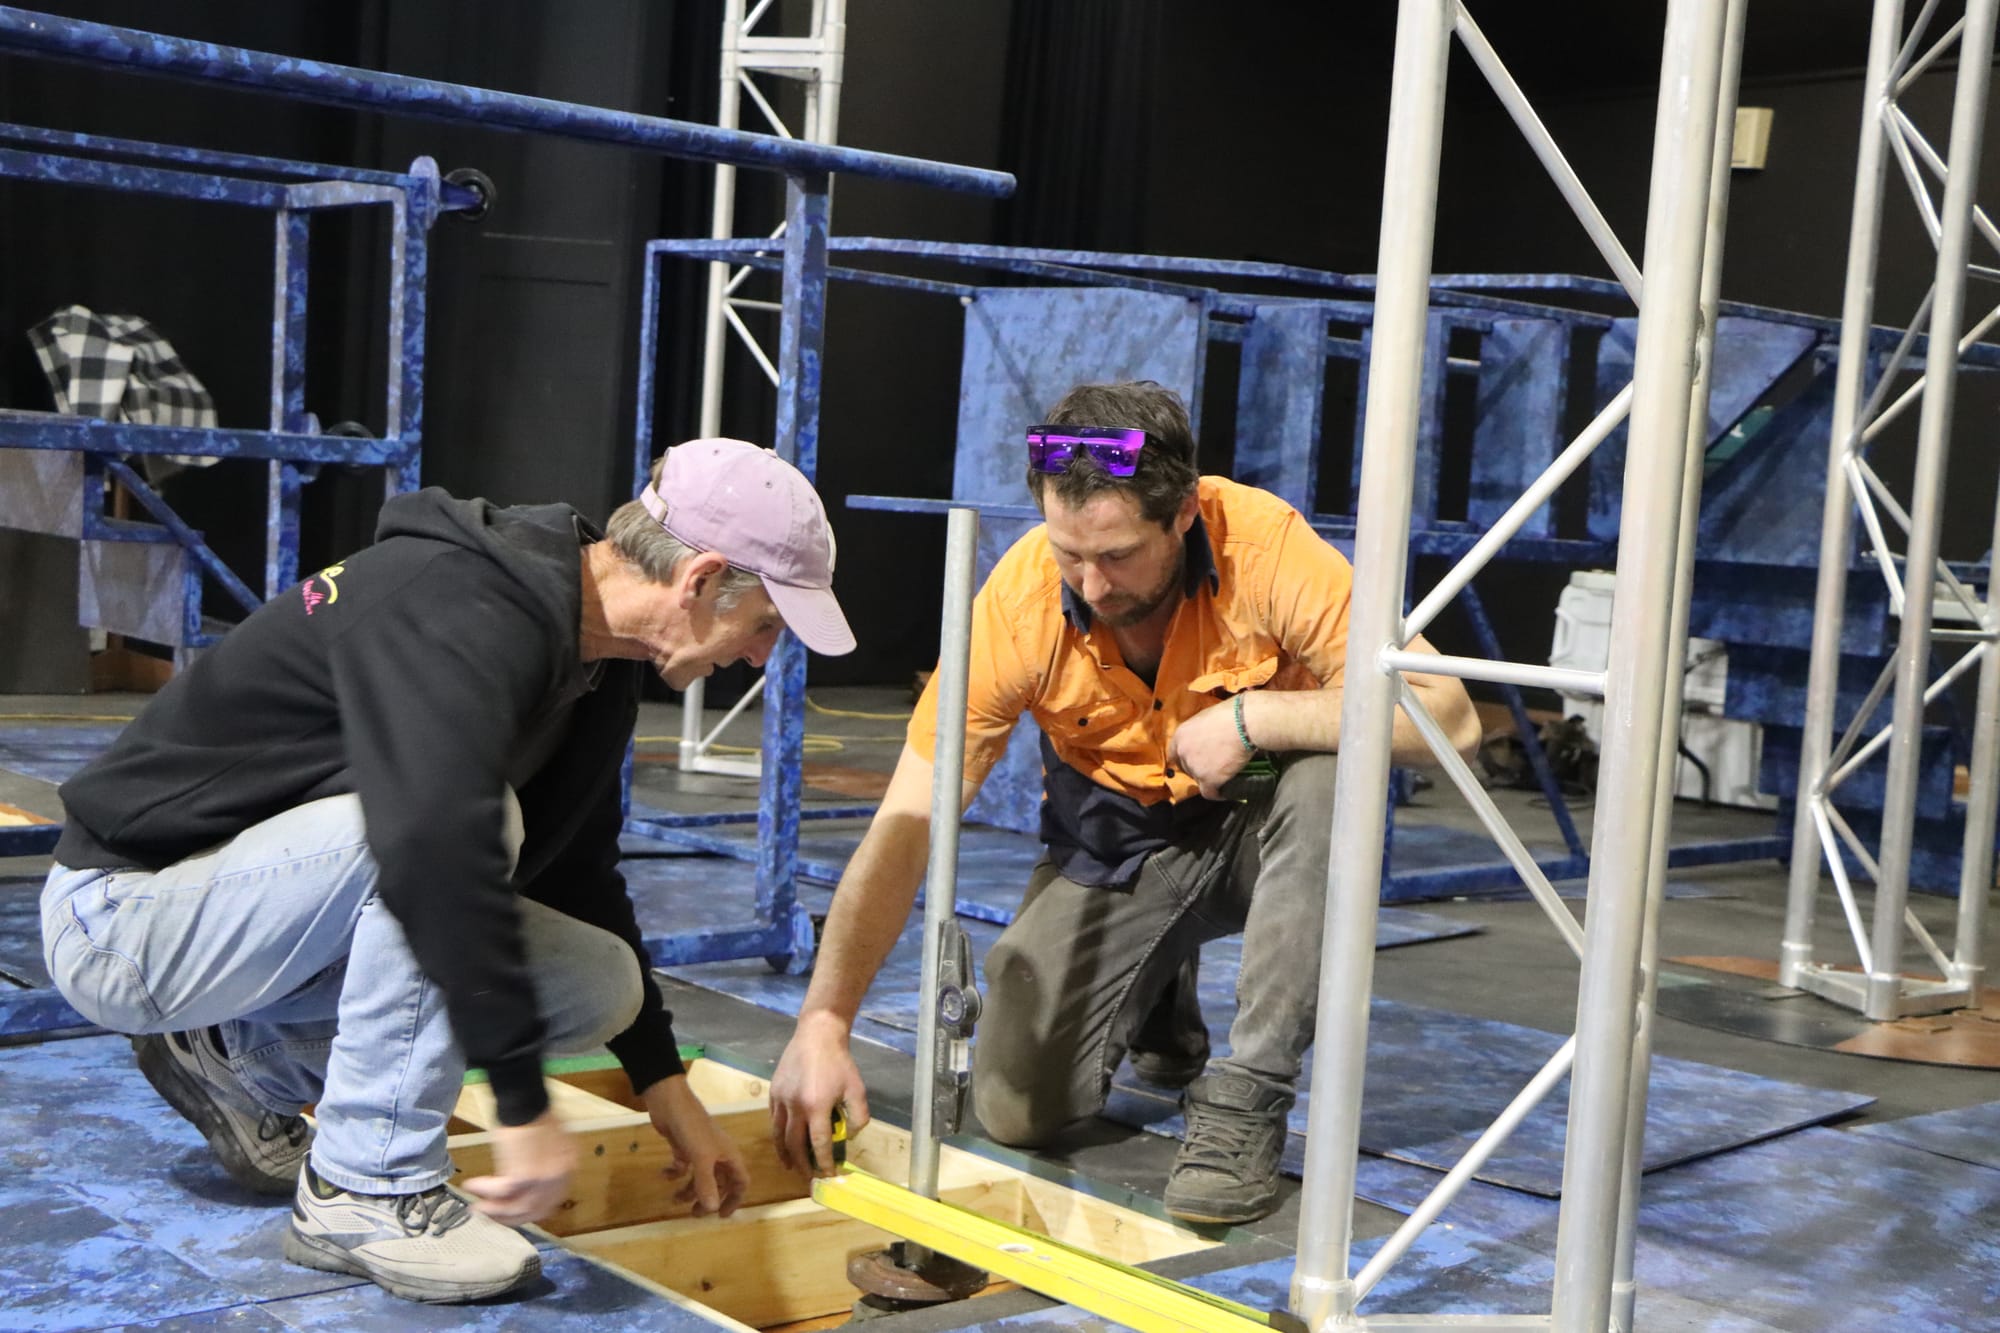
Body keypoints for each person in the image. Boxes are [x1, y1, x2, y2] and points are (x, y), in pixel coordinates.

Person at [41, 437, 856, 1303]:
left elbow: (580, 872)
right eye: (765, 623)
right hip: (124, 918)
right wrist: (520, 1102)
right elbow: (433, 847)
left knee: (598, 981)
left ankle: (237, 1060)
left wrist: (664, 1083)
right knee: (455, 829)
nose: (765, 656)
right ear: (699, 580)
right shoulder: (459, 603)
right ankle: (366, 1187)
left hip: (248, 916)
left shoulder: (595, 666)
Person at [768, 381, 1479, 1225]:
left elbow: (1451, 714)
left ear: (1182, 516)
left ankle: (1247, 1098)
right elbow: (907, 824)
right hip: (1123, 842)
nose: (1093, 585)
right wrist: (825, 1019)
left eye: (1117, 555)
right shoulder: (1019, 605)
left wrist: (1262, 715)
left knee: (1331, 776)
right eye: (1070, 553)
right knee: (1015, 1107)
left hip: (1265, 829)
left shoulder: (1264, 545)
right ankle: (1160, 986)